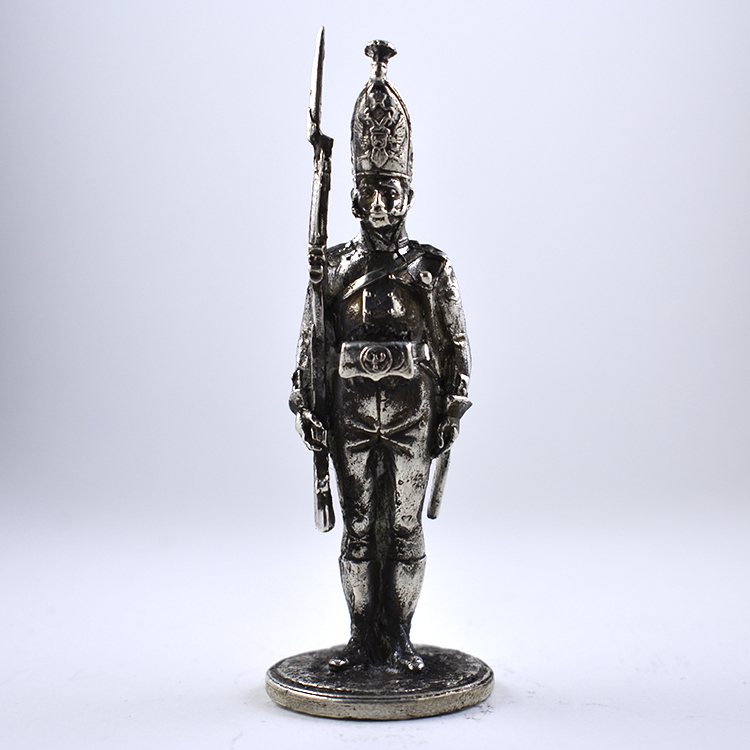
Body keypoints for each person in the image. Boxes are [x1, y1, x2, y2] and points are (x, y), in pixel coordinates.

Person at [290, 41, 471, 672]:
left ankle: (400, 639)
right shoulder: (334, 269)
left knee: (405, 529)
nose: (380, 205)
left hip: (411, 413)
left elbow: (455, 344)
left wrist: (453, 405)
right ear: (353, 197)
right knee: (361, 529)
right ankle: (361, 636)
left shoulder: (430, 268)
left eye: (391, 191)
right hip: (350, 413)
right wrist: (306, 401)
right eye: (369, 191)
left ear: (408, 194)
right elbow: (314, 340)